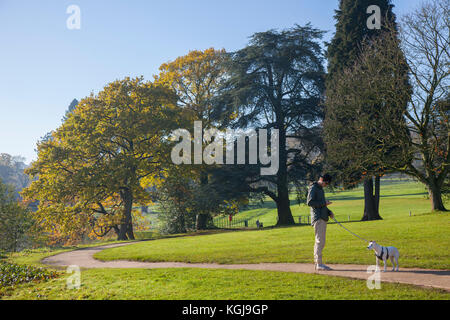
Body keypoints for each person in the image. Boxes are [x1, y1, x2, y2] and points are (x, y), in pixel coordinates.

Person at [307, 174, 334, 271]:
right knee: (319, 241)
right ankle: (319, 264)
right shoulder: (314, 188)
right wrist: (324, 203)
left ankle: (318, 263)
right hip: (318, 218)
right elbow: (309, 202)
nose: (326, 185)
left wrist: (329, 212)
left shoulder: (320, 189)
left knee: (321, 241)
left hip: (322, 217)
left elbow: (322, 205)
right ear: (322, 180)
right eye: (326, 183)